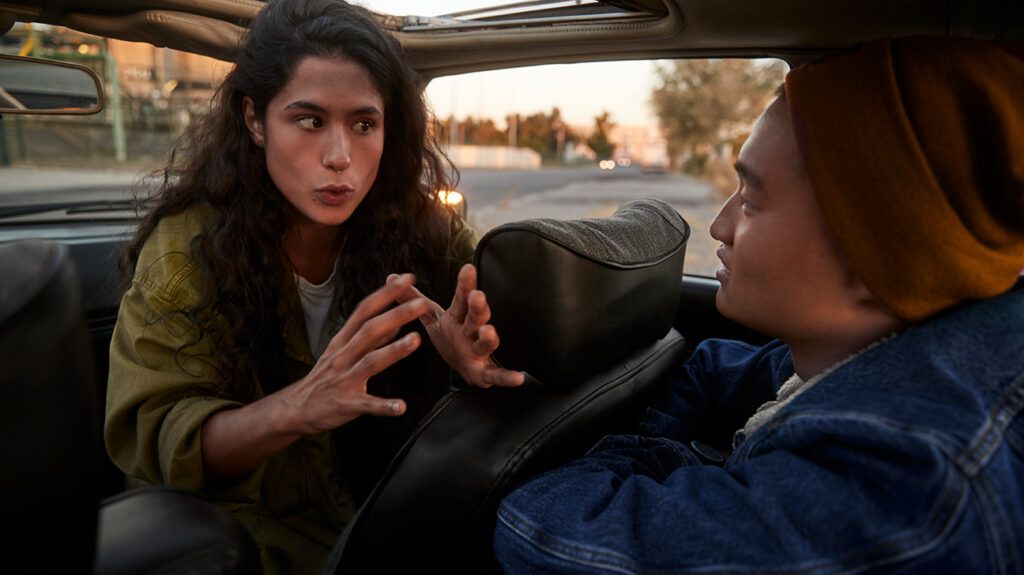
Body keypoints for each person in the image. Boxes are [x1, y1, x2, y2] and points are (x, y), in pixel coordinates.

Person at [494, 36, 1024, 573]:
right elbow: (713, 368)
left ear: (879, 250)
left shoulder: (896, 487)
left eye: (750, 201)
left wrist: (675, 466)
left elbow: (538, 529)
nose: (719, 225)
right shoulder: (927, 341)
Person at [105, 1, 522, 572]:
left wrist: (470, 363)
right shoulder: (185, 251)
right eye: (308, 120)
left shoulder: (423, 227)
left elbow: (495, 326)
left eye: (363, 124)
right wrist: (299, 406)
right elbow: (155, 442)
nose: (339, 158)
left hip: (390, 514)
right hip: (249, 537)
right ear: (255, 120)